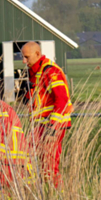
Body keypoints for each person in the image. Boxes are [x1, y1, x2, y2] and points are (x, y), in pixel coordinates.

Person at [20, 42, 72, 186]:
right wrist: (25, 94)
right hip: (40, 125)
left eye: (26, 57)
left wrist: (52, 128)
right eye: (22, 57)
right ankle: (39, 193)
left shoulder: (50, 71)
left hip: (51, 126)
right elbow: (37, 102)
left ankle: (56, 197)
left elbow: (62, 100)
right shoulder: (35, 71)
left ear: (37, 54)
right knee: (26, 157)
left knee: (49, 166)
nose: (24, 61)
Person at [0, 92, 35, 199]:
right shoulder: (1, 105)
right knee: (17, 189)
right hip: (19, 156)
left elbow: (3, 129)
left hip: (5, 158)